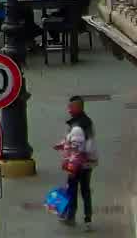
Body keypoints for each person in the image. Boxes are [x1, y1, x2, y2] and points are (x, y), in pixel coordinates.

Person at [54, 95, 98, 226]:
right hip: (87, 164)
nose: (68, 109)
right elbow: (80, 143)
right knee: (85, 190)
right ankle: (87, 218)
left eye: (71, 107)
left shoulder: (78, 126)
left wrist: (72, 168)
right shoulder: (87, 122)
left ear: (78, 107)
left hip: (78, 165)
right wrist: (62, 145)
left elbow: (77, 149)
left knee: (72, 189)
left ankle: (70, 216)